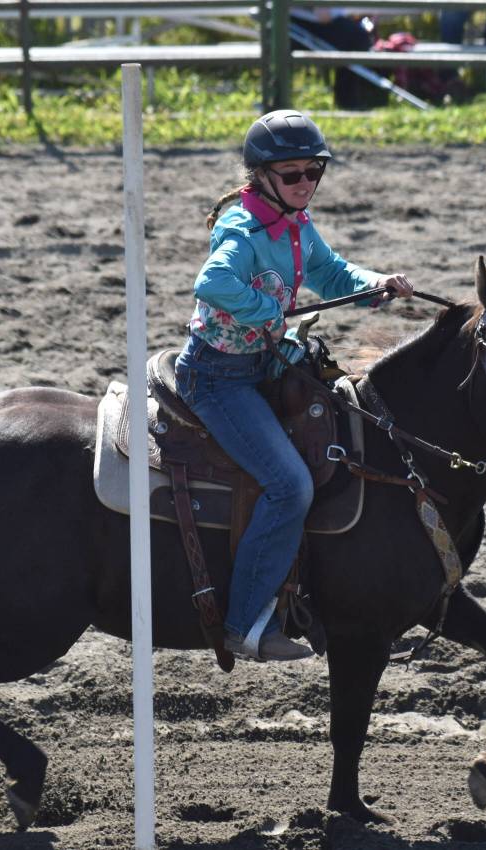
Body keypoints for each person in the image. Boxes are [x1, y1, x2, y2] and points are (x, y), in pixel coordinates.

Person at [173, 110, 414, 662]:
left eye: (314, 172)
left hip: (269, 366)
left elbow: (331, 274)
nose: (305, 183)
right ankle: (243, 623)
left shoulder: (297, 224)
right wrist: (268, 312)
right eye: (291, 174)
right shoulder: (241, 226)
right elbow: (210, 282)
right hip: (219, 379)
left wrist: (376, 284)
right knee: (291, 486)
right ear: (260, 177)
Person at [289, 7, 376, 110]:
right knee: (357, 38)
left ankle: (351, 101)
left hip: (329, 17)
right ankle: (348, 102)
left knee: (358, 36)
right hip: (304, 22)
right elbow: (323, 15)